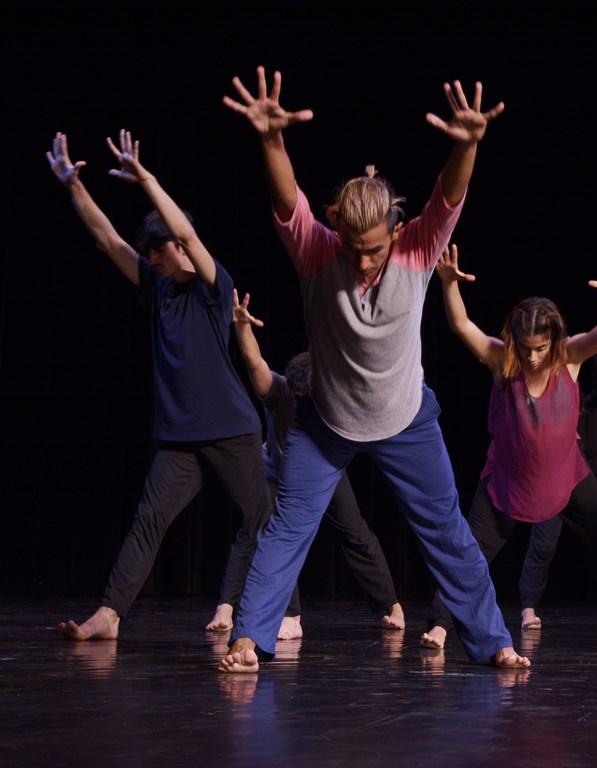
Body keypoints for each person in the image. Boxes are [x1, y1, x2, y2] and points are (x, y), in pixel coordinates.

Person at [217, 67, 526, 672]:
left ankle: (495, 642)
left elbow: (448, 199)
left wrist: (466, 145)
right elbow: (288, 202)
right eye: (354, 247)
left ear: (396, 232)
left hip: (406, 418)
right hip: (326, 423)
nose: (364, 260)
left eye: (376, 248)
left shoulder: (416, 247)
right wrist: (272, 140)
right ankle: (249, 639)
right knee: (284, 530)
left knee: (448, 534)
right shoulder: (317, 254)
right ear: (337, 229)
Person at [47, 130, 272, 642]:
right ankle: (110, 615)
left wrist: (146, 178)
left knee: (263, 521)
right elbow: (107, 239)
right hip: (179, 436)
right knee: (148, 520)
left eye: (156, 249)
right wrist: (73, 185)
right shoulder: (157, 288)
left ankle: (285, 613)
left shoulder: (217, 288)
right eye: (146, 252)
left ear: (175, 245)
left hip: (232, 430)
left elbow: (190, 240)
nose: (149, 257)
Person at [421, 246, 597, 651]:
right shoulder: (503, 361)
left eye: (540, 347)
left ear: (554, 339)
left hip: (566, 476)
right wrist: (448, 284)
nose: (533, 356)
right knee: (467, 551)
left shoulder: (568, 358)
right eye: (526, 347)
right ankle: (443, 624)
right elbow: (462, 326)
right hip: (507, 479)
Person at [220, 290, 406, 637]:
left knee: (355, 531)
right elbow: (255, 362)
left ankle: (390, 604)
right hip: (278, 475)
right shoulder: (279, 390)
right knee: (277, 537)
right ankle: (289, 616)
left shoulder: (330, 393)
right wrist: (243, 329)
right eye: (298, 397)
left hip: (325, 471)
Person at [517, 353, 597, 631]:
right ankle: (528, 608)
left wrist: (590, 349)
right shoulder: (552, 413)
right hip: (556, 489)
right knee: (542, 547)